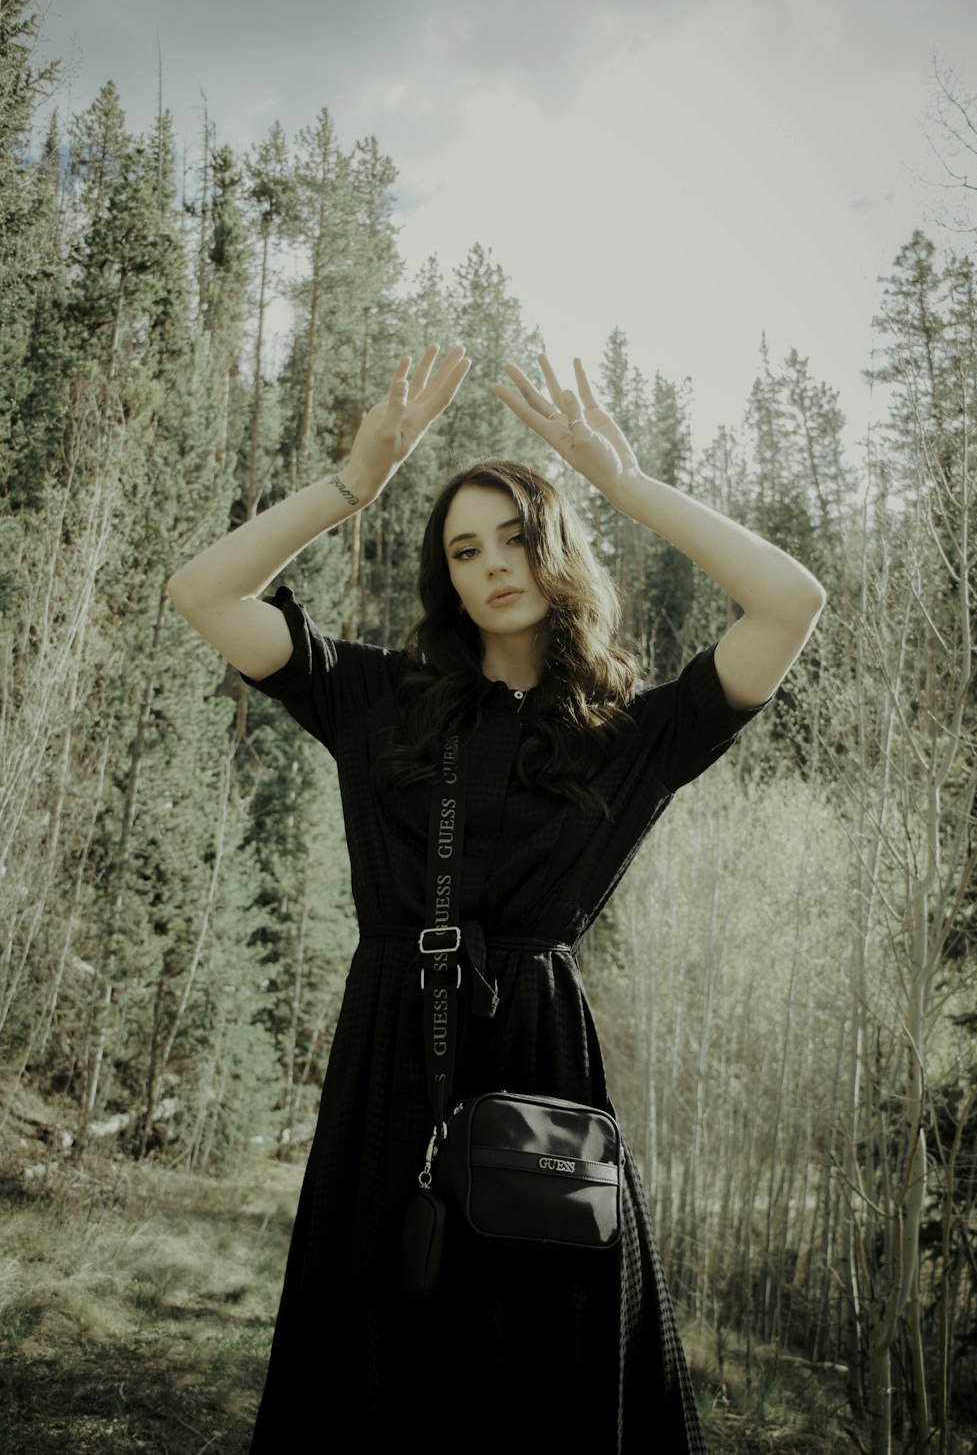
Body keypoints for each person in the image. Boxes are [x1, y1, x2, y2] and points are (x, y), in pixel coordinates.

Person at [167, 344, 825, 1453]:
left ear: (557, 547)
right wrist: (351, 486)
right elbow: (203, 591)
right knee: (376, 1359)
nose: (490, 565)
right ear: (446, 576)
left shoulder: (629, 734)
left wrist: (622, 483)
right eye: (464, 549)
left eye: (516, 536)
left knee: (547, 1372)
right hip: (389, 1061)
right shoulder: (379, 697)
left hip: (540, 1068)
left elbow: (790, 602)